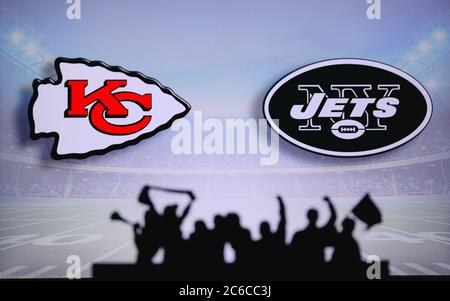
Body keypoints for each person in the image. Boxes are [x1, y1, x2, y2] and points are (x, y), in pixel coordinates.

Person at [289, 196, 337, 276]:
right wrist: (329, 202)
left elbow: (291, 252)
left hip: (303, 269)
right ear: (317, 217)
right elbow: (333, 217)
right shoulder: (320, 233)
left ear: (307, 216)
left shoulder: (299, 235)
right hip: (318, 268)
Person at [254, 196, 287, 277]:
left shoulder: (256, 246)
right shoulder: (277, 239)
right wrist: (281, 202)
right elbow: (283, 219)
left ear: (260, 231)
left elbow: (283, 220)